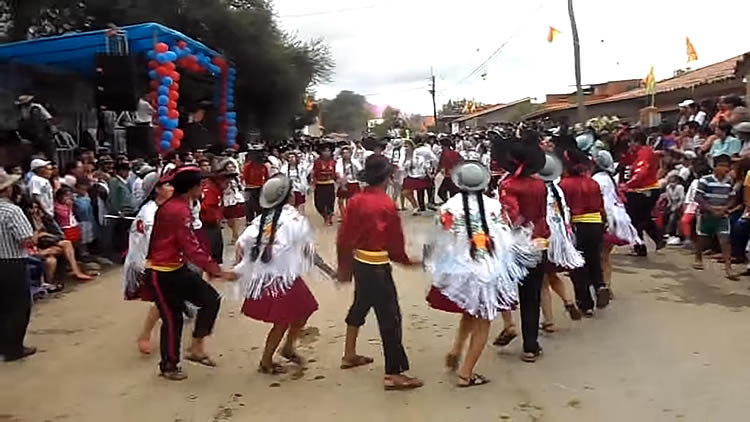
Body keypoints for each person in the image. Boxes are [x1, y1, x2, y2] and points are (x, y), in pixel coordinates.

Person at [425, 161, 538, 387]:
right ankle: (466, 374)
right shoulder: (494, 207)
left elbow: (437, 240)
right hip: (487, 270)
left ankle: (456, 350)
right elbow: (505, 239)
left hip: (459, 270)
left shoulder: (448, 207)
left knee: (470, 310)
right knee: (483, 320)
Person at [336, 155, 423, 390]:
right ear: (387, 176)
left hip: (360, 263)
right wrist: (407, 261)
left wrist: (344, 268)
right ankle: (393, 373)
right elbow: (395, 244)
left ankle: (349, 354)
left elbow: (343, 238)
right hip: (377, 266)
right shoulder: (385, 204)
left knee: (360, 306)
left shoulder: (355, 200)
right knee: (390, 319)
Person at [492, 137, 583, 362]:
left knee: (505, 290)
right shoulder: (540, 185)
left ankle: (509, 326)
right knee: (531, 296)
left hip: (515, 246)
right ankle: (530, 346)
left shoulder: (508, 185)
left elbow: (511, 218)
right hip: (539, 242)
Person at [145, 166, 234, 380]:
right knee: (172, 318)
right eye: (200, 184)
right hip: (161, 273)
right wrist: (216, 270)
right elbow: (191, 247)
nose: (203, 187)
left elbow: (193, 244)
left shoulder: (182, 206)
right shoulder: (177, 210)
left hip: (176, 268)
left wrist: (211, 267)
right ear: (192, 187)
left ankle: (196, 347)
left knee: (210, 300)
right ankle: (169, 365)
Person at [233, 174, 320, 374]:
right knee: (282, 321)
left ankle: (288, 347)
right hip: (280, 278)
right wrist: (327, 270)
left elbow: (242, 243)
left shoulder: (262, 219)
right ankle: (266, 361)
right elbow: (308, 249)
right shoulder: (293, 219)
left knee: (304, 309)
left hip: (273, 276)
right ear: (288, 197)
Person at [122, 173, 173, 354]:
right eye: (167, 185)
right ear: (157, 190)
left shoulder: (163, 208)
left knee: (167, 299)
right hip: (150, 262)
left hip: (157, 260)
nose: (172, 188)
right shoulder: (151, 213)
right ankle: (145, 335)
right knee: (163, 300)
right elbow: (156, 240)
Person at [559, 148, 609, 315]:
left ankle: (586, 303)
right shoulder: (593, 182)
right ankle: (600, 285)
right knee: (594, 259)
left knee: (578, 265)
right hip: (596, 223)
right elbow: (601, 206)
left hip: (577, 225)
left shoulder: (564, 185)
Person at [0, 169, 37, 362]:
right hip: (11, 263)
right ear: (6, 189)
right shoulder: (12, 211)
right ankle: (13, 348)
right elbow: (27, 240)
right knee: (17, 307)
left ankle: (3, 345)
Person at [592, 150, 642, 292]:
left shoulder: (598, 180)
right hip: (615, 220)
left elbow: (604, 203)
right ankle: (606, 285)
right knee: (605, 256)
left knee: (600, 256)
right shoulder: (609, 179)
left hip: (605, 220)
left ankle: (602, 285)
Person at [693, 154, 738, 280]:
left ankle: (728, 268)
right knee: (702, 238)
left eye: (726, 166)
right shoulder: (705, 180)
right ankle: (698, 257)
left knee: (725, 241)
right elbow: (698, 197)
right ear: (715, 167)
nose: (724, 169)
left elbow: (732, 197)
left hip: (722, 214)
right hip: (706, 214)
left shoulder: (729, 181)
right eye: (721, 166)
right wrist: (711, 208)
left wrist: (725, 208)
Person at [621, 130, 664, 256]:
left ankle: (641, 245)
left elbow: (641, 173)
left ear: (637, 142)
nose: (629, 145)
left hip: (644, 190)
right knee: (642, 218)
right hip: (640, 190)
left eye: (631, 142)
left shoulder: (644, 153)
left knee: (635, 219)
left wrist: (627, 185)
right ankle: (655, 239)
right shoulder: (638, 153)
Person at [200, 160, 233, 264]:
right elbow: (206, 208)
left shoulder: (217, 190)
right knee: (212, 252)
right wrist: (214, 218)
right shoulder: (210, 190)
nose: (228, 183)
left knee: (217, 250)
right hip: (208, 226)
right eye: (226, 180)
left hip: (214, 224)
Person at [243, 145, 270, 224]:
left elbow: (266, 177)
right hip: (250, 189)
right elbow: (245, 178)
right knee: (249, 207)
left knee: (260, 207)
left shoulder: (263, 166)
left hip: (261, 188)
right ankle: (250, 222)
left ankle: (260, 221)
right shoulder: (248, 166)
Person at [312, 142, 337, 225]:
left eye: (328, 151)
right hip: (320, 184)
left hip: (330, 184)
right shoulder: (317, 162)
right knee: (318, 204)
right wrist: (313, 183)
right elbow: (314, 173)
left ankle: (329, 218)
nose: (326, 153)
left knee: (330, 202)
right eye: (324, 151)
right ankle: (324, 216)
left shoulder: (333, 162)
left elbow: (336, 172)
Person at [335, 146, 362, 219]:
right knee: (340, 200)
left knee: (350, 201)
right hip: (343, 182)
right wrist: (342, 180)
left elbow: (360, 171)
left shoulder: (355, 161)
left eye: (347, 153)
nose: (345, 155)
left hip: (353, 182)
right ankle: (343, 215)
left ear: (350, 153)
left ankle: (349, 215)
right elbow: (337, 172)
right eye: (344, 153)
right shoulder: (339, 162)